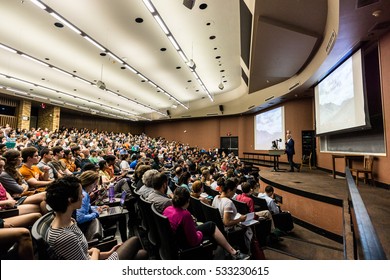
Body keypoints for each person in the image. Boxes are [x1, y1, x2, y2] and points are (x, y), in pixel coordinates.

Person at [45, 176, 148, 260]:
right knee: (134, 240)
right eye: (80, 194)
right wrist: (96, 251)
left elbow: (82, 253)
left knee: (141, 254)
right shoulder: (64, 237)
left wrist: (108, 253)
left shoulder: (69, 221)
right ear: (70, 200)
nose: (83, 196)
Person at [163, 187, 249, 260]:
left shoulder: (168, 209)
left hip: (176, 241)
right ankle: (233, 253)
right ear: (187, 200)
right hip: (186, 245)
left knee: (211, 225)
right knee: (213, 236)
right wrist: (199, 233)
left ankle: (232, 252)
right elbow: (194, 241)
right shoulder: (185, 215)